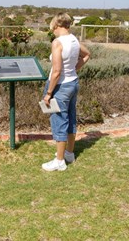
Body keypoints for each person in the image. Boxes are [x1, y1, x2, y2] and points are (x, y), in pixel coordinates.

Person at [42, 12, 90, 171]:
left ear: (56, 25)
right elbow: (87, 54)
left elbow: (56, 71)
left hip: (61, 87)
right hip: (73, 83)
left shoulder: (58, 42)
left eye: (52, 28)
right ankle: (69, 153)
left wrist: (49, 93)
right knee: (70, 118)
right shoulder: (74, 39)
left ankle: (60, 161)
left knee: (59, 120)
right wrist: (74, 70)